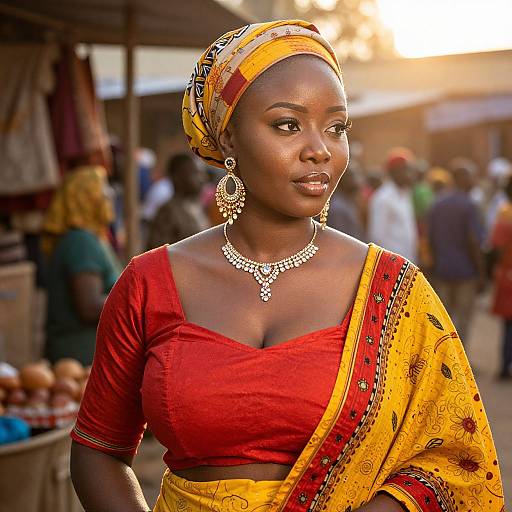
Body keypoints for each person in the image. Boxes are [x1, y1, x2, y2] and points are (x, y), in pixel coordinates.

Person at [69, 20, 504, 512]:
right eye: (287, 124)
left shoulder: (392, 290)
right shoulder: (148, 284)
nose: (320, 148)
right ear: (228, 138)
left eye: (336, 127)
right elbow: (98, 448)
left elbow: (455, 462)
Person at [42, 166, 121, 365]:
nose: (109, 194)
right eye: (102, 189)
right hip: (78, 359)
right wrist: (138, 301)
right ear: (85, 198)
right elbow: (89, 307)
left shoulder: (92, 238)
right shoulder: (80, 241)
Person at [427, 158, 485, 343]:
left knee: (443, 320)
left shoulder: (438, 203)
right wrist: (481, 272)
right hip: (466, 271)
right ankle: (459, 365)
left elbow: (431, 239)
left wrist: (436, 264)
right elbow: (474, 241)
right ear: (464, 178)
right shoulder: (469, 205)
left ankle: (441, 363)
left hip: (443, 269)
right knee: (463, 320)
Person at [146, 153, 210, 249]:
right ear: (177, 177)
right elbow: (157, 252)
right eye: (194, 173)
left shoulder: (196, 207)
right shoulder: (168, 212)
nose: (202, 179)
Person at [367, 148, 418, 262]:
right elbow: (377, 236)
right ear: (393, 172)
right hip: (392, 264)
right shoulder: (382, 198)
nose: (410, 174)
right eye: (405, 170)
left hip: (408, 261)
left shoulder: (405, 194)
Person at [490, 176, 512, 379]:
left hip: (507, 272)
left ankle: (505, 365)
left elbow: (496, 245)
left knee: (508, 322)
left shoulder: (505, 213)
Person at [327, 163, 365, 240]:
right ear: (341, 179)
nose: (357, 181)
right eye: (352, 176)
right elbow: (341, 240)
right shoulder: (337, 208)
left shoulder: (348, 201)